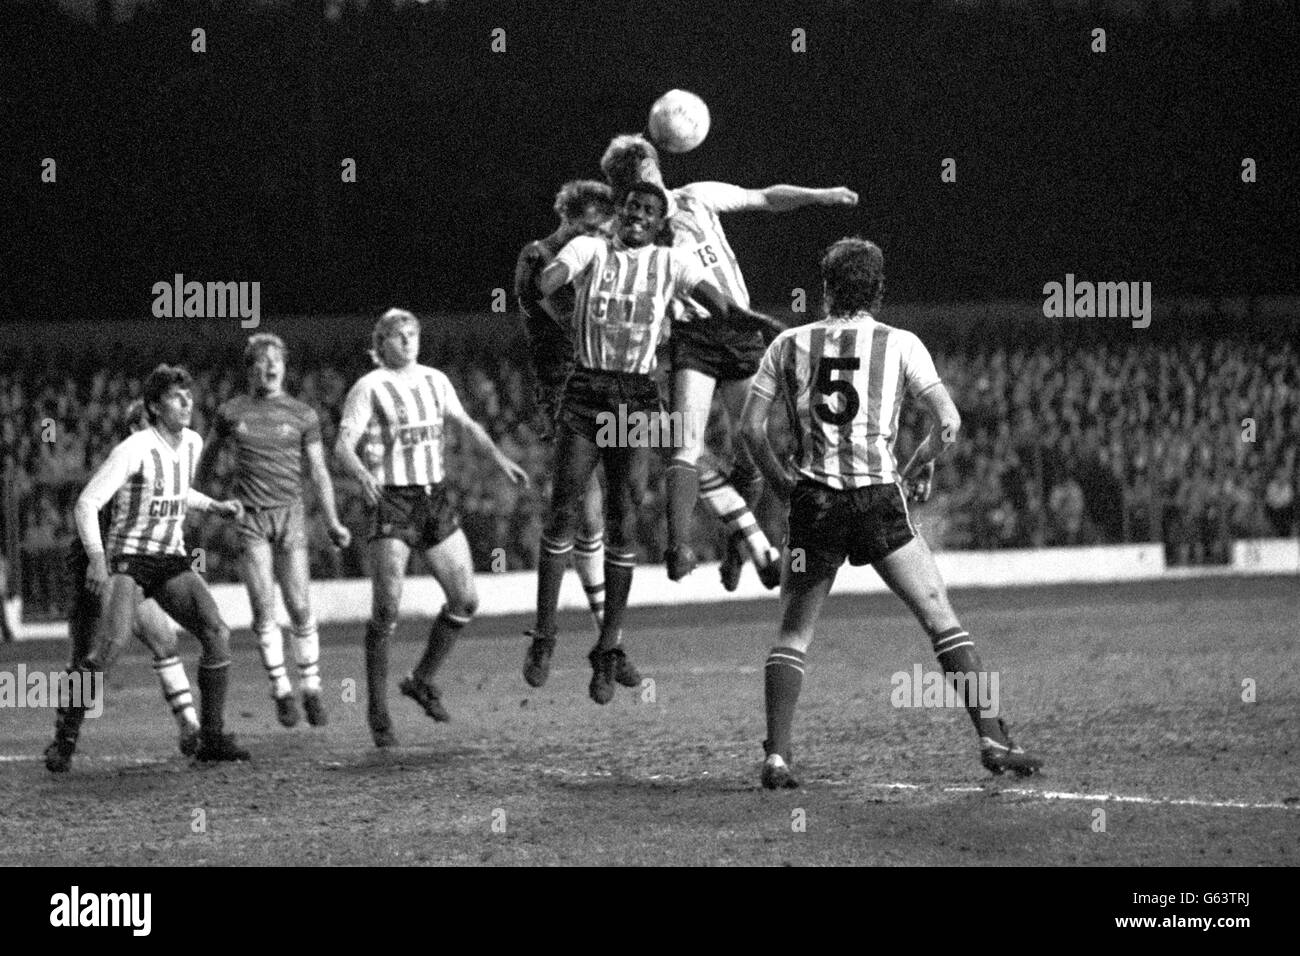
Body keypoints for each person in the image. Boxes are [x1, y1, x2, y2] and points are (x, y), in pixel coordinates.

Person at [740, 238, 1042, 789]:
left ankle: (778, 756)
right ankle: (994, 739)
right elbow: (947, 421)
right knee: (939, 616)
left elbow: (749, 431)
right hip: (878, 498)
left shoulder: (787, 344)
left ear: (825, 287)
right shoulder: (901, 343)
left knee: (793, 633)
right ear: (878, 289)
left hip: (815, 503)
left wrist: (785, 488)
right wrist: (920, 463)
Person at [529, 181, 784, 703]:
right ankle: (545, 636)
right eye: (633, 207)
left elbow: (722, 305)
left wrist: (760, 324)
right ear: (621, 212)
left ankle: (607, 651)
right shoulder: (591, 249)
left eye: (650, 210)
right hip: (586, 392)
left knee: (625, 515)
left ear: (659, 219)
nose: (640, 215)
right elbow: (547, 282)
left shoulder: (673, 262)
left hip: (636, 397)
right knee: (564, 508)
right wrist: (552, 281)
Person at [601, 134, 858, 587]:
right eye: (642, 178)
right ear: (628, 189)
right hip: (692, 336)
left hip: (739, 332)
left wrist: (819, 196)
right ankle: (677, 546)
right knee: (686, 440)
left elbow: (762, 197)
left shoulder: (697, 198)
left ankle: (738, 549)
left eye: (655, 170)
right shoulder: (630, 235)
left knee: (752, 443)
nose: (653, 181)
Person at [334, 309, 528, 747]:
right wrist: (361, 473)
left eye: (413, 335)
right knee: (387, 609)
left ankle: (421, 680)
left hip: (433, 499)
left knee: (466, 599)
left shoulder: (435, 380)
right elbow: (342, 446)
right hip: (392, 501)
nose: (407, 342)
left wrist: (499, 460)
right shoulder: (368, 387)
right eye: (398, 336)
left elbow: (466, 423)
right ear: (381, 343)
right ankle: (378, 712)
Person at [46, 366, 250, 772]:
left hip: (170, 558)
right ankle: (64, 737)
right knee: (110, 647)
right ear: (156, 406)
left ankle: (210, 738)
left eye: (189, 396)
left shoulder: (191, 442)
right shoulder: (134, 448)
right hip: (130, 561)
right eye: (177, 397)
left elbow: (176, 490)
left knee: (216, 631)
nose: (187, 403)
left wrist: (215, 506)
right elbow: (86, 503)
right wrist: (99, 560)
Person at [196, 333, 351, 729]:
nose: (268, 367)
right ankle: (282, 690)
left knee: (299, 606)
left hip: (291, 516)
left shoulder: (303, 415)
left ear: (284, 366)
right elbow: (206, 462)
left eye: (275, 360)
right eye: (260, 361)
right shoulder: (231, 412)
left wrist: (332, 521)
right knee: (264, 606)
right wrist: (196, 503)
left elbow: (319, 472)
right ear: (249, 368)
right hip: (250, 519)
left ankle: (311, 688)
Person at [514, 181, 615, 678]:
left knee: (617, 508)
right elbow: (566, 316)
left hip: (614, 385)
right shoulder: (537, 257)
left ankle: (607, 641)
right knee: (582, 511)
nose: (599, 234)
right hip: (565, 389)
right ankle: (560, 637)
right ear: (568, 218)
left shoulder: (608, 254)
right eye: (591, 226)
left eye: (603, 226)